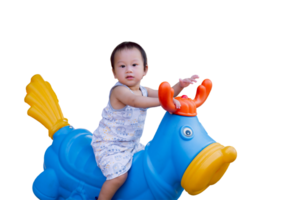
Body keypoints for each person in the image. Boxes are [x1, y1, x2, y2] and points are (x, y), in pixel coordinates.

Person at [91, 40, 202, 200]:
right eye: (122, 66)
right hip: (110, 145)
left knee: (146, 165)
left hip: (132, 143)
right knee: (118, 177)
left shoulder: (145, 89)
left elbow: (168, 93)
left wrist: (181, 85)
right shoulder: (119, 90)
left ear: (145, 69)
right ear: (113, 73)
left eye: (134, 65)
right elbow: (135, 101)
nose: (128, 70)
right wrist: (163, 103)